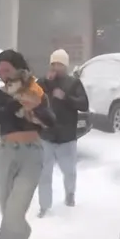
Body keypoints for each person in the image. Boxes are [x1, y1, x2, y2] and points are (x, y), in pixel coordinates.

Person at [0, 49, 56, 239]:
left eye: (6, 69)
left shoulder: (36, 92)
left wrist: (35, 107)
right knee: (6, 205)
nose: (3, 75)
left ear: (18, 68)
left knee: (16, 207)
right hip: (6, 152)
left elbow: (50, 120)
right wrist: (16, 102)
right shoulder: (0, 94)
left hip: (31, 153)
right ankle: (23, 232)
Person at [37, 49, 89, 217]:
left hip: (67, 136)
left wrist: (66, 98)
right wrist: (45, 83)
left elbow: (84, 104)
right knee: (44, 174)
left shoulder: (73, 83)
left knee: (69, 171)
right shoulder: (43, 82)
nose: (56, 67)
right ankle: (44, 206)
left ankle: (70, 194)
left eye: (59, 64)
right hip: (47, 135)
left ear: (65, 66)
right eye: (53, 64)